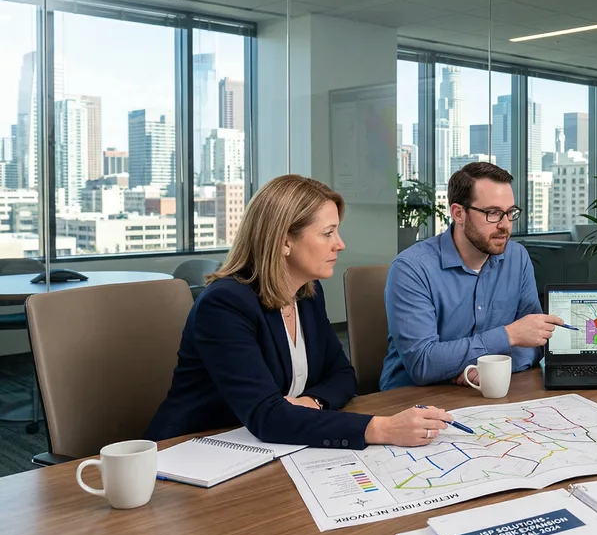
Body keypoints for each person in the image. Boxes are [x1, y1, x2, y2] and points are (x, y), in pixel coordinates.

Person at [146, 175, 454, 449]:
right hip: (192, 451)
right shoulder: (225, 305)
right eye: (328, 233)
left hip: (268, 448)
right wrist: (383, 428)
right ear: (284, 241)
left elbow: (344, 376)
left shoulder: (307, 293)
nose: (340, 244)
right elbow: (267, 417)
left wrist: (312, 401)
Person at [380, 162, 563, 390]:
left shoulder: (517, 257)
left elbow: (535, 340)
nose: (505, 225)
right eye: (493, 213)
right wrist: (507, 336)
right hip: (413, 402)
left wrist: (488, 369)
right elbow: (423, 363)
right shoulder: (411, 269)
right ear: (459, 213)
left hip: (490, 392)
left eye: (510, 213)